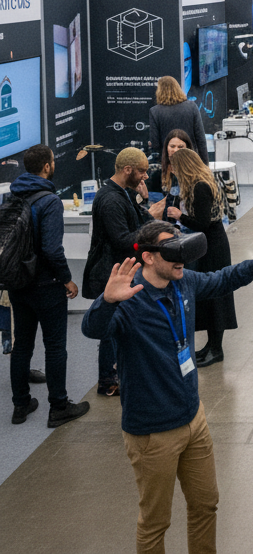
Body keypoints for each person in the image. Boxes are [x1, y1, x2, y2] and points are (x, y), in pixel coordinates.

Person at [82, 221, 253, 554]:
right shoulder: (129, 299)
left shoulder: (184, 281)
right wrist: (107, 301)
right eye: (171, 251)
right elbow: (92, 330)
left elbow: (219, 279)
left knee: (206, 504)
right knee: (155, 522)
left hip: (194, 419)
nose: (181, 258)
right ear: (148, 257)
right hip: (152, 433)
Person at [7, 145, 90, 428]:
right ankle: (59, 407)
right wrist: (67, 278)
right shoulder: (49, 200)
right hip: (46, 284)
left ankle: (21, 405)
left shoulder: (13, 194)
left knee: (22, 348)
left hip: (18, 282)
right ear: (46, 166)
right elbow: (52, 249)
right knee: (55, 347)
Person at [82, 147, 160, 397]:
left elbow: (139, 220)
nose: (145, 177)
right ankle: (108, 379)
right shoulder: (111, 200)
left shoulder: (125, 194)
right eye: (141, 171)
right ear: (127, 170)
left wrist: (154, 219)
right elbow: (122, 239)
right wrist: (149, 235)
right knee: (110, 329)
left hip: (122, 271)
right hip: (111, 274)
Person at [160, 149, 234, 368]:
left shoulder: (200, 187)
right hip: (209, 242)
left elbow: (202, 223)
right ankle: (211, 345)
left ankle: (216, 348)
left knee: (215, 295)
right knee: (210, 294)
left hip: (213, 244)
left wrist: (178, 216)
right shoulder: (202, 182)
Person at [148, 76, 208, 166]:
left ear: (159, 91)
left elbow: (156, 143)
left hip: (169, 163)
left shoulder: (155, 111)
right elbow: (200, 139)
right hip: (191, 161)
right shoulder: (192, 107)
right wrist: (205, 164)